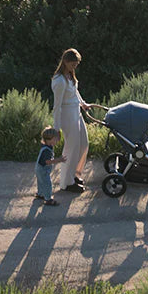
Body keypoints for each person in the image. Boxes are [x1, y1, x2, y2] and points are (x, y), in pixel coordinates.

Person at [51, 48, 90, 193]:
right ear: (66, 62)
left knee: (84, 144)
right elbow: (57, 106)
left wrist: (83, 103)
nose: (75, 66)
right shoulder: (59, 80)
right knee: (71, 148)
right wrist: (56, 128)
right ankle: (67, 183)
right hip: (67, 115)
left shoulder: (70, 75)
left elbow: (75, 92)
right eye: (73, 64)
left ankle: (75, 175)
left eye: (76, 64)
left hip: (76, 112)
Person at [35, 127, 66, 206]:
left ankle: (40, 194)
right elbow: (47, 162)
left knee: (41, 182)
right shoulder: (47, 151)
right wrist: (59, 160)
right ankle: (48, 199)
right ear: (50, 139)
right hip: (43, 170)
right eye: (55, 139)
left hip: (38, 168)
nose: (57, 141)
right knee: (47, 184)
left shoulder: (46, 146)